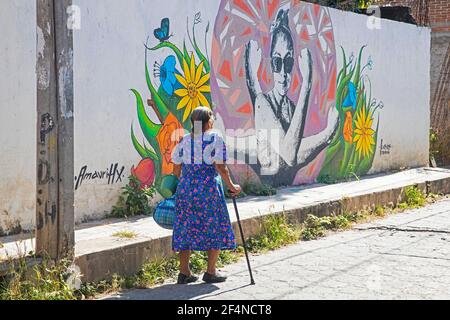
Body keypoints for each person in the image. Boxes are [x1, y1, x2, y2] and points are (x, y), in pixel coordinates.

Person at [244, 8, 339, 185]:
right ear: (270, 64)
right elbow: (289, 155)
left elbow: (292, 154)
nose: (283, 73)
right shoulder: (263, 103)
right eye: (277, 63)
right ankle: (326, 136)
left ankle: (326, 136)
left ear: (294, 65)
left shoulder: (291, 108)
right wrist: (306, 86)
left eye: (288, 63)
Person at [171, 106, 242, 284]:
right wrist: (232, 186)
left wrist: (188, 182)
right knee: (213, 226)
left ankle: (184, 272)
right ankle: (210, 271)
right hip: (208, 190)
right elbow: (220, 167)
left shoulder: (184, 140)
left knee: (185, 227)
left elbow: (176, 169)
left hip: (185, 189)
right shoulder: (215, 138)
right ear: (209, 122)